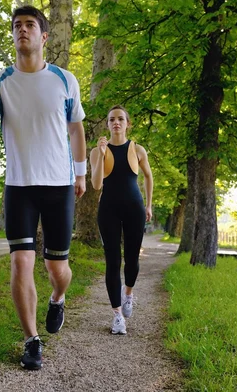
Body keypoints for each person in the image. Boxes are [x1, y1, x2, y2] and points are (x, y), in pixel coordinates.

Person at [0, 5, 86, 370]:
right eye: (17, 25)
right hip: (19, 185)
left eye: (30, 25)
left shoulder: (65, 80)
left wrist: (80, 174)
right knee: (21, 262)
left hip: (59, 186)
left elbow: (77, 129)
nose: (23, 30)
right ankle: (32, 340)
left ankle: (58, 297)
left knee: (56, 268)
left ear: (44, 36)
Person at [90, 105, 153, 335]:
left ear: (127, 124)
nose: (116, 122)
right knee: (112, 261)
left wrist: (148, 204)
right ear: (107, 124)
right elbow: (96, 184)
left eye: (120, 119)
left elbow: (148, 176)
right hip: (108, 210)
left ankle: (128, 294)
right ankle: (117, 316)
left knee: (132, 259)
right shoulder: (97, 151)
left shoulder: (138, 150)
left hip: (134, 209)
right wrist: (101, 153)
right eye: (111, 119)